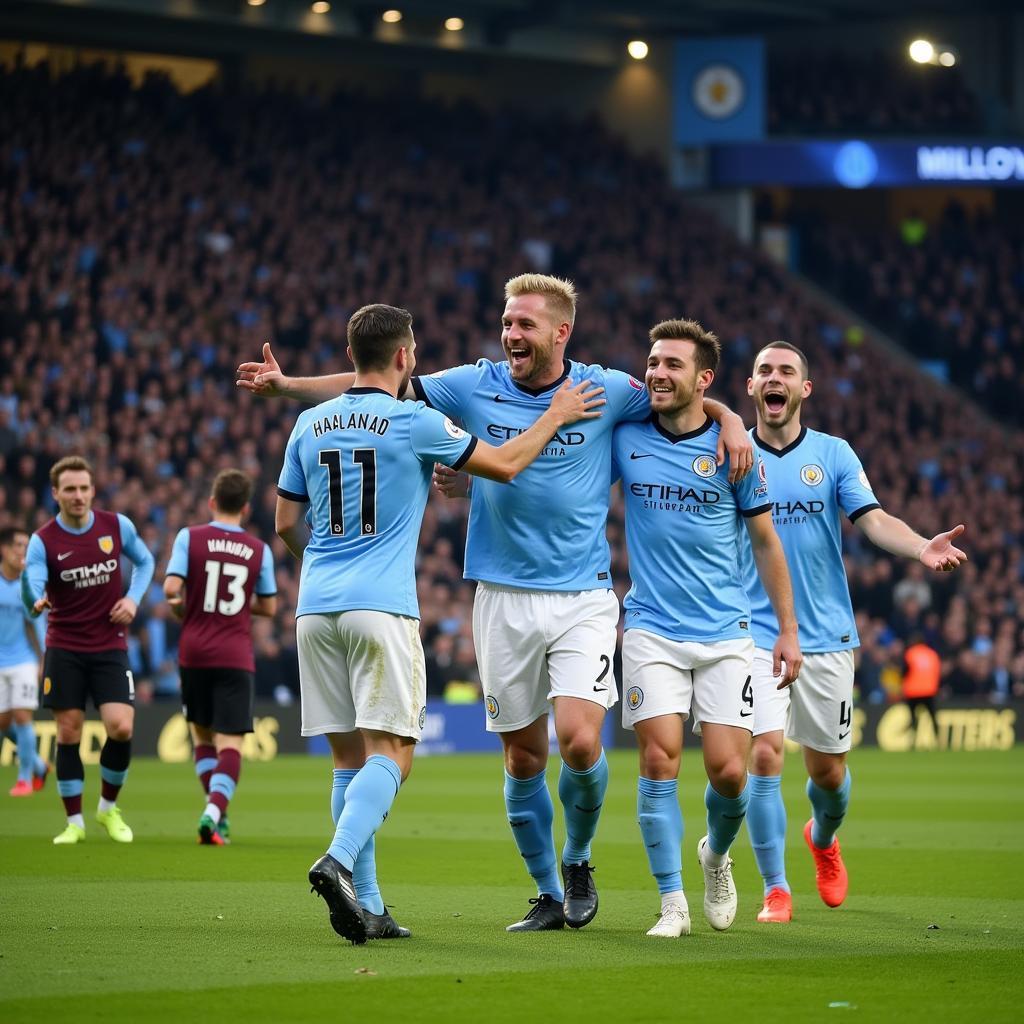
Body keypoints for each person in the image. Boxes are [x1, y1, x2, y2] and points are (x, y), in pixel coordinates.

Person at [238, 274, 753, 933]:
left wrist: (731, 418)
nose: (511, 334)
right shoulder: (470, 384)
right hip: (500, 596)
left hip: (583, 597)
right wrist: (287, 387)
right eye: (507, 322)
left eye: (525, 325)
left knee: (578, 740)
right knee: (523, 757)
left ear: (561, 333)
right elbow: (374, 388)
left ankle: (577, 860)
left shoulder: (605, 389)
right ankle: (545, 892)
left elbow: (677, 395)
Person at [274, 302, 604, 944]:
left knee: (348, 760)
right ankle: (338, 861)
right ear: (404, 356)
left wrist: (320, 563)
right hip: (381, 605)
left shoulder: (308, 424)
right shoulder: (415, 420)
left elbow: (286, 524)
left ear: (350, 357)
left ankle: (368, 905)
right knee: (394, 753)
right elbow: (505, 466)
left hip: (314, 606)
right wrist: (558, 415)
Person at [741, 342, 967, 922]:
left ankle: (823, 838)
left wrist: (921, 547)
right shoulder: (731, 450)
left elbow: (874, 521)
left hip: (826, 637)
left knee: (829, 775)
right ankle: (775, 888)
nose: (775, 378)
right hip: (751, 634)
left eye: (786, 371)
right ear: (750, 386)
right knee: (764, 755)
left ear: (804, 389)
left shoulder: (833, 454)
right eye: (765, 370)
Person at [612, 320, 801, 938]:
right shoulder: (625, 435)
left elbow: (768, 543)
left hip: (726, 632)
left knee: (729, 773)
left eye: (673, 364)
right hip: (651, 627)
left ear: (704, 379)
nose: (657, 373)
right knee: (659, 760)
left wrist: (788, 631)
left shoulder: (735, 453)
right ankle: (672, 903)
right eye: (653, 361)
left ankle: (716, 855)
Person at [22, 455, 156, 844]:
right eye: (70, 489)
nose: (78, 496)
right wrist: (37, 595)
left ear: (93, 490)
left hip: (109, 644)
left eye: (83, 488)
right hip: (64, 646)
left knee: (121, 726)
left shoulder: (116, 526)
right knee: (68, 732)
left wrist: (133, 599)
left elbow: (145, 563)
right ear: (56, 494)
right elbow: (33, 578)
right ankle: (74, 823)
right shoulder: (43, 540)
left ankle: (107, 809)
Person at [163, 469, 278, 845]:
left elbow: (171, 589)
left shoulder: (189, 537)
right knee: (231, 744)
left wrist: (187, 606)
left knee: (202, 738)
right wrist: (240, 604)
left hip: (193, 652)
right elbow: (269, 606)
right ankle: (214, 812)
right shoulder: (258, 550)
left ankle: (218, 817)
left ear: (212, 502)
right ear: (245, 508)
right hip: (234, 654)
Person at [1, 526, 49, 796]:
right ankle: (39, 765)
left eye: (26, 546)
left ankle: (24, 779)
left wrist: (44, 659)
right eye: (19, 545)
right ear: (5, 550)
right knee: (4, 724)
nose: (23, 551)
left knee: (22, 716)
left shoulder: (28, 585)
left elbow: (37, 625)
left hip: (22, 660)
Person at [902, 634, 941, 731]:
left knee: (913, 717)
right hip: (929, 690)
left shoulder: (910, 653)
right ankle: (938, 737)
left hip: (913, 691)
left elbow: (905, 671)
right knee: (932, 716)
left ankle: (913, 739)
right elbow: (937, 672)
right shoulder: (932, 654)